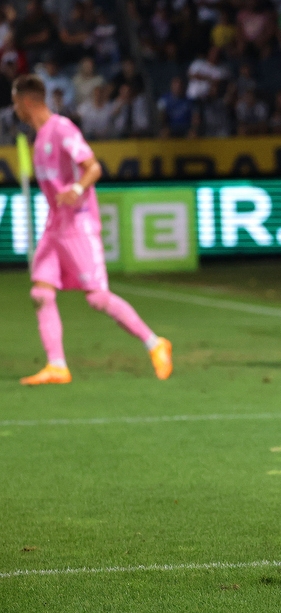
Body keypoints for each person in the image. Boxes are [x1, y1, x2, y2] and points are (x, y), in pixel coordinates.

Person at [13, 74, 172, 385]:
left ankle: (155, 343)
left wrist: (76, 187)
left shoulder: (61, 129)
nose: (14, 109)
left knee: (97, 298)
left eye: (16, 102)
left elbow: (93, 167)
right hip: (55, 226)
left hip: (78, 224)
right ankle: (57, 365)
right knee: (40, 292)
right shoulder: (40, 137)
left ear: (27, 102)